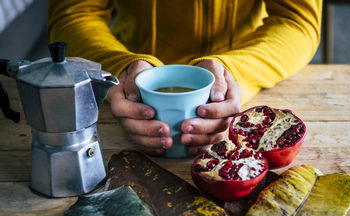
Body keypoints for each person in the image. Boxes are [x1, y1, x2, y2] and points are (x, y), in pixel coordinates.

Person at [48, 0, 322, 156]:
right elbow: (74, 12)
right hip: (125, 78)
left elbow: (297, 19)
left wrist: (232, 72)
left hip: (244, 68)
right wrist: (117, 65)